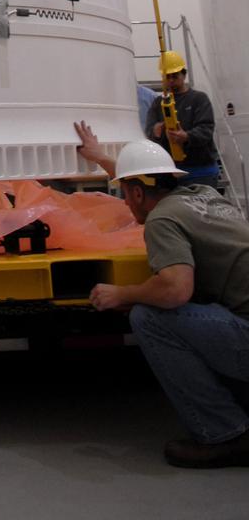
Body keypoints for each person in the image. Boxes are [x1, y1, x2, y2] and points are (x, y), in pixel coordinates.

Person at [77, 131, 249, 468]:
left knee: (149, 317)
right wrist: (100, 157)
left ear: (137, 193)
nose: (125, 203)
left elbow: (175, 289)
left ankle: (226, 433)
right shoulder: (206, 195)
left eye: (124, 195)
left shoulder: (162, 219)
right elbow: (146, 176)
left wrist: (122, 294)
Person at [144, 50, 219, 185]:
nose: (171, 80)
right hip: (171, 173)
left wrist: (186, 136)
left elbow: (206, 129)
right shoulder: (158, 104)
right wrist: (156, 131)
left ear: (184, 75)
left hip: (201, 172)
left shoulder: (199, 99)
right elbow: (149, 131)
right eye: (168, 77)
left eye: (175, 76)